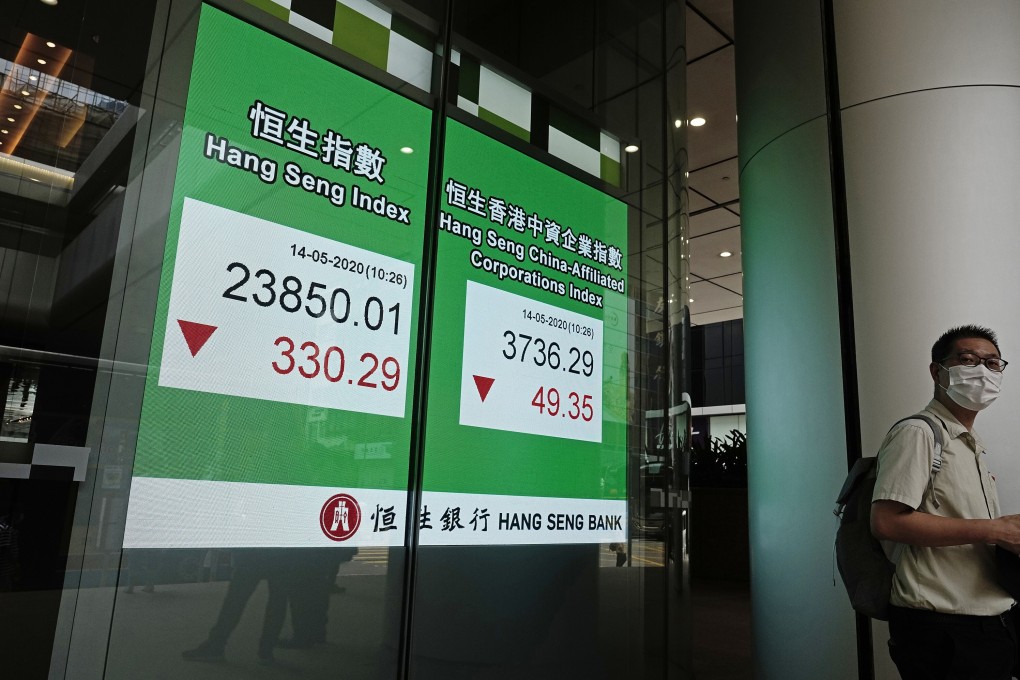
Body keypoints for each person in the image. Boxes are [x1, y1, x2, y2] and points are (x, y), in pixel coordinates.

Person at [871, 325, 1020, 679]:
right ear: (938, 371)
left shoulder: (968, 442)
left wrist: (1006, 532)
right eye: (968, 360)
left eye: (993, 363)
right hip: (942, 623)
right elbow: (887, 522)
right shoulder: (919, 432)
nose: (983, 371)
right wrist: (994, 529)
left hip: (986, 615)